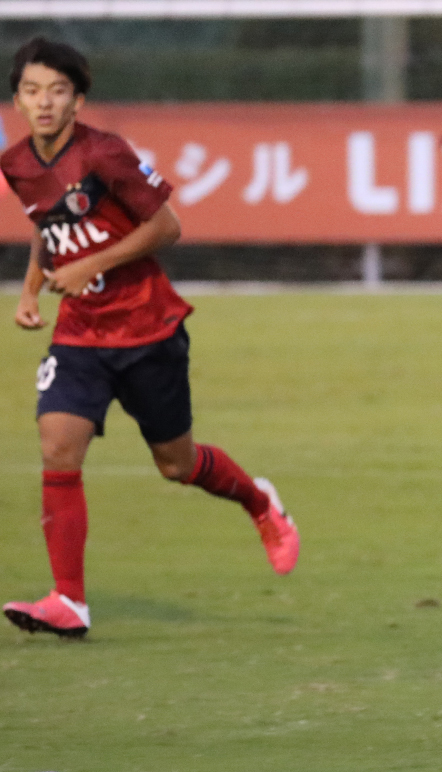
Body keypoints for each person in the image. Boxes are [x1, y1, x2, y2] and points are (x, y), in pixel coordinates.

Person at [3, 37, 300, 638]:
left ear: (77, 99)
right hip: (80, 334)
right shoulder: (16, 162)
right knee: (58, 446)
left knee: (177, 463)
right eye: (32, 91)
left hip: (148, 327)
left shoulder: (105, 153)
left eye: (58, 92)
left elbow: (167, 225)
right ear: (17, 99)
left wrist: (93, 265)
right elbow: (48, 228)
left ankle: (259, 501)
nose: (44, 103)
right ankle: (70, 600)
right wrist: (31, 289)